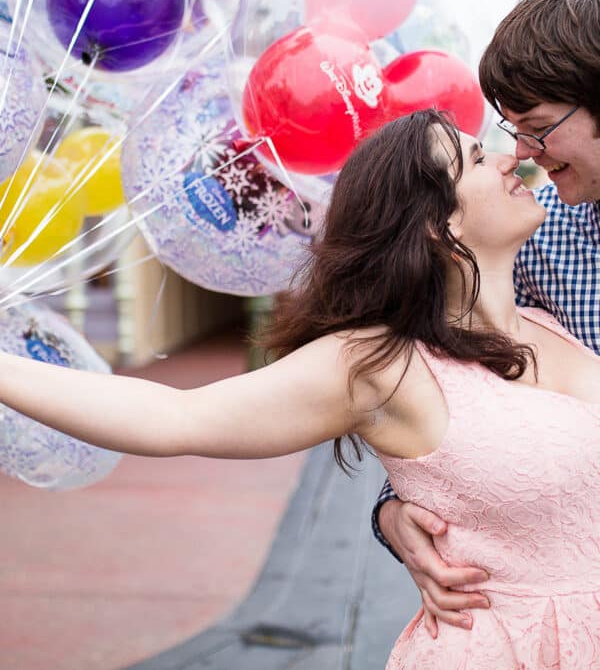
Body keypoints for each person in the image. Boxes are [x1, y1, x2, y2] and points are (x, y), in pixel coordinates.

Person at [3, 106, 600, 668]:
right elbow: (173, 417)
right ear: (434, 225)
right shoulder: (380, 363)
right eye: (475, 159)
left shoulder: (552, 320)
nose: (507, 158)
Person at [372, 0, 600, 639]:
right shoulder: (535, 236)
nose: (523, 155)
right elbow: (472, 395)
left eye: (537, 128)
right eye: (511, 130)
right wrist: (395, 510)